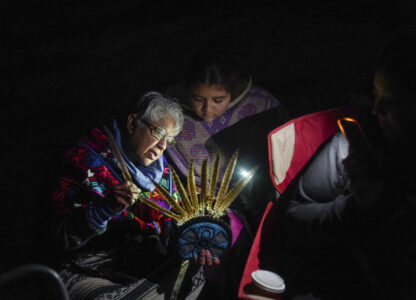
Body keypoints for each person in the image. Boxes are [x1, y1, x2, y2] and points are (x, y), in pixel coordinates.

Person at [279, 37, 416, 299]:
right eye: (374, 95)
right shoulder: (354, 146)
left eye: (393, 101)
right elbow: (293, 218)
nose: (376, 110)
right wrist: (354, 207)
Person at [38, 91, 209, 300]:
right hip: (80, 268)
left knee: (194, 274)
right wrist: (102, 210)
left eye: (170, 140)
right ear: (131, 123)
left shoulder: (161, 173)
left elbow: (169, 225)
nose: (162, 146)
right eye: (158, 133)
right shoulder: (83, 160)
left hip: (129, 262)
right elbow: (54, 238)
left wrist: (192, 238)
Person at [166, 50, 289, 231]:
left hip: (258, 194)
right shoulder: (168, 114)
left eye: (218, 100)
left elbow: (284, 155)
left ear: (234, 92)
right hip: (201, 203)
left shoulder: (261, 107)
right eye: (198, 99)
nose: (207, 109)